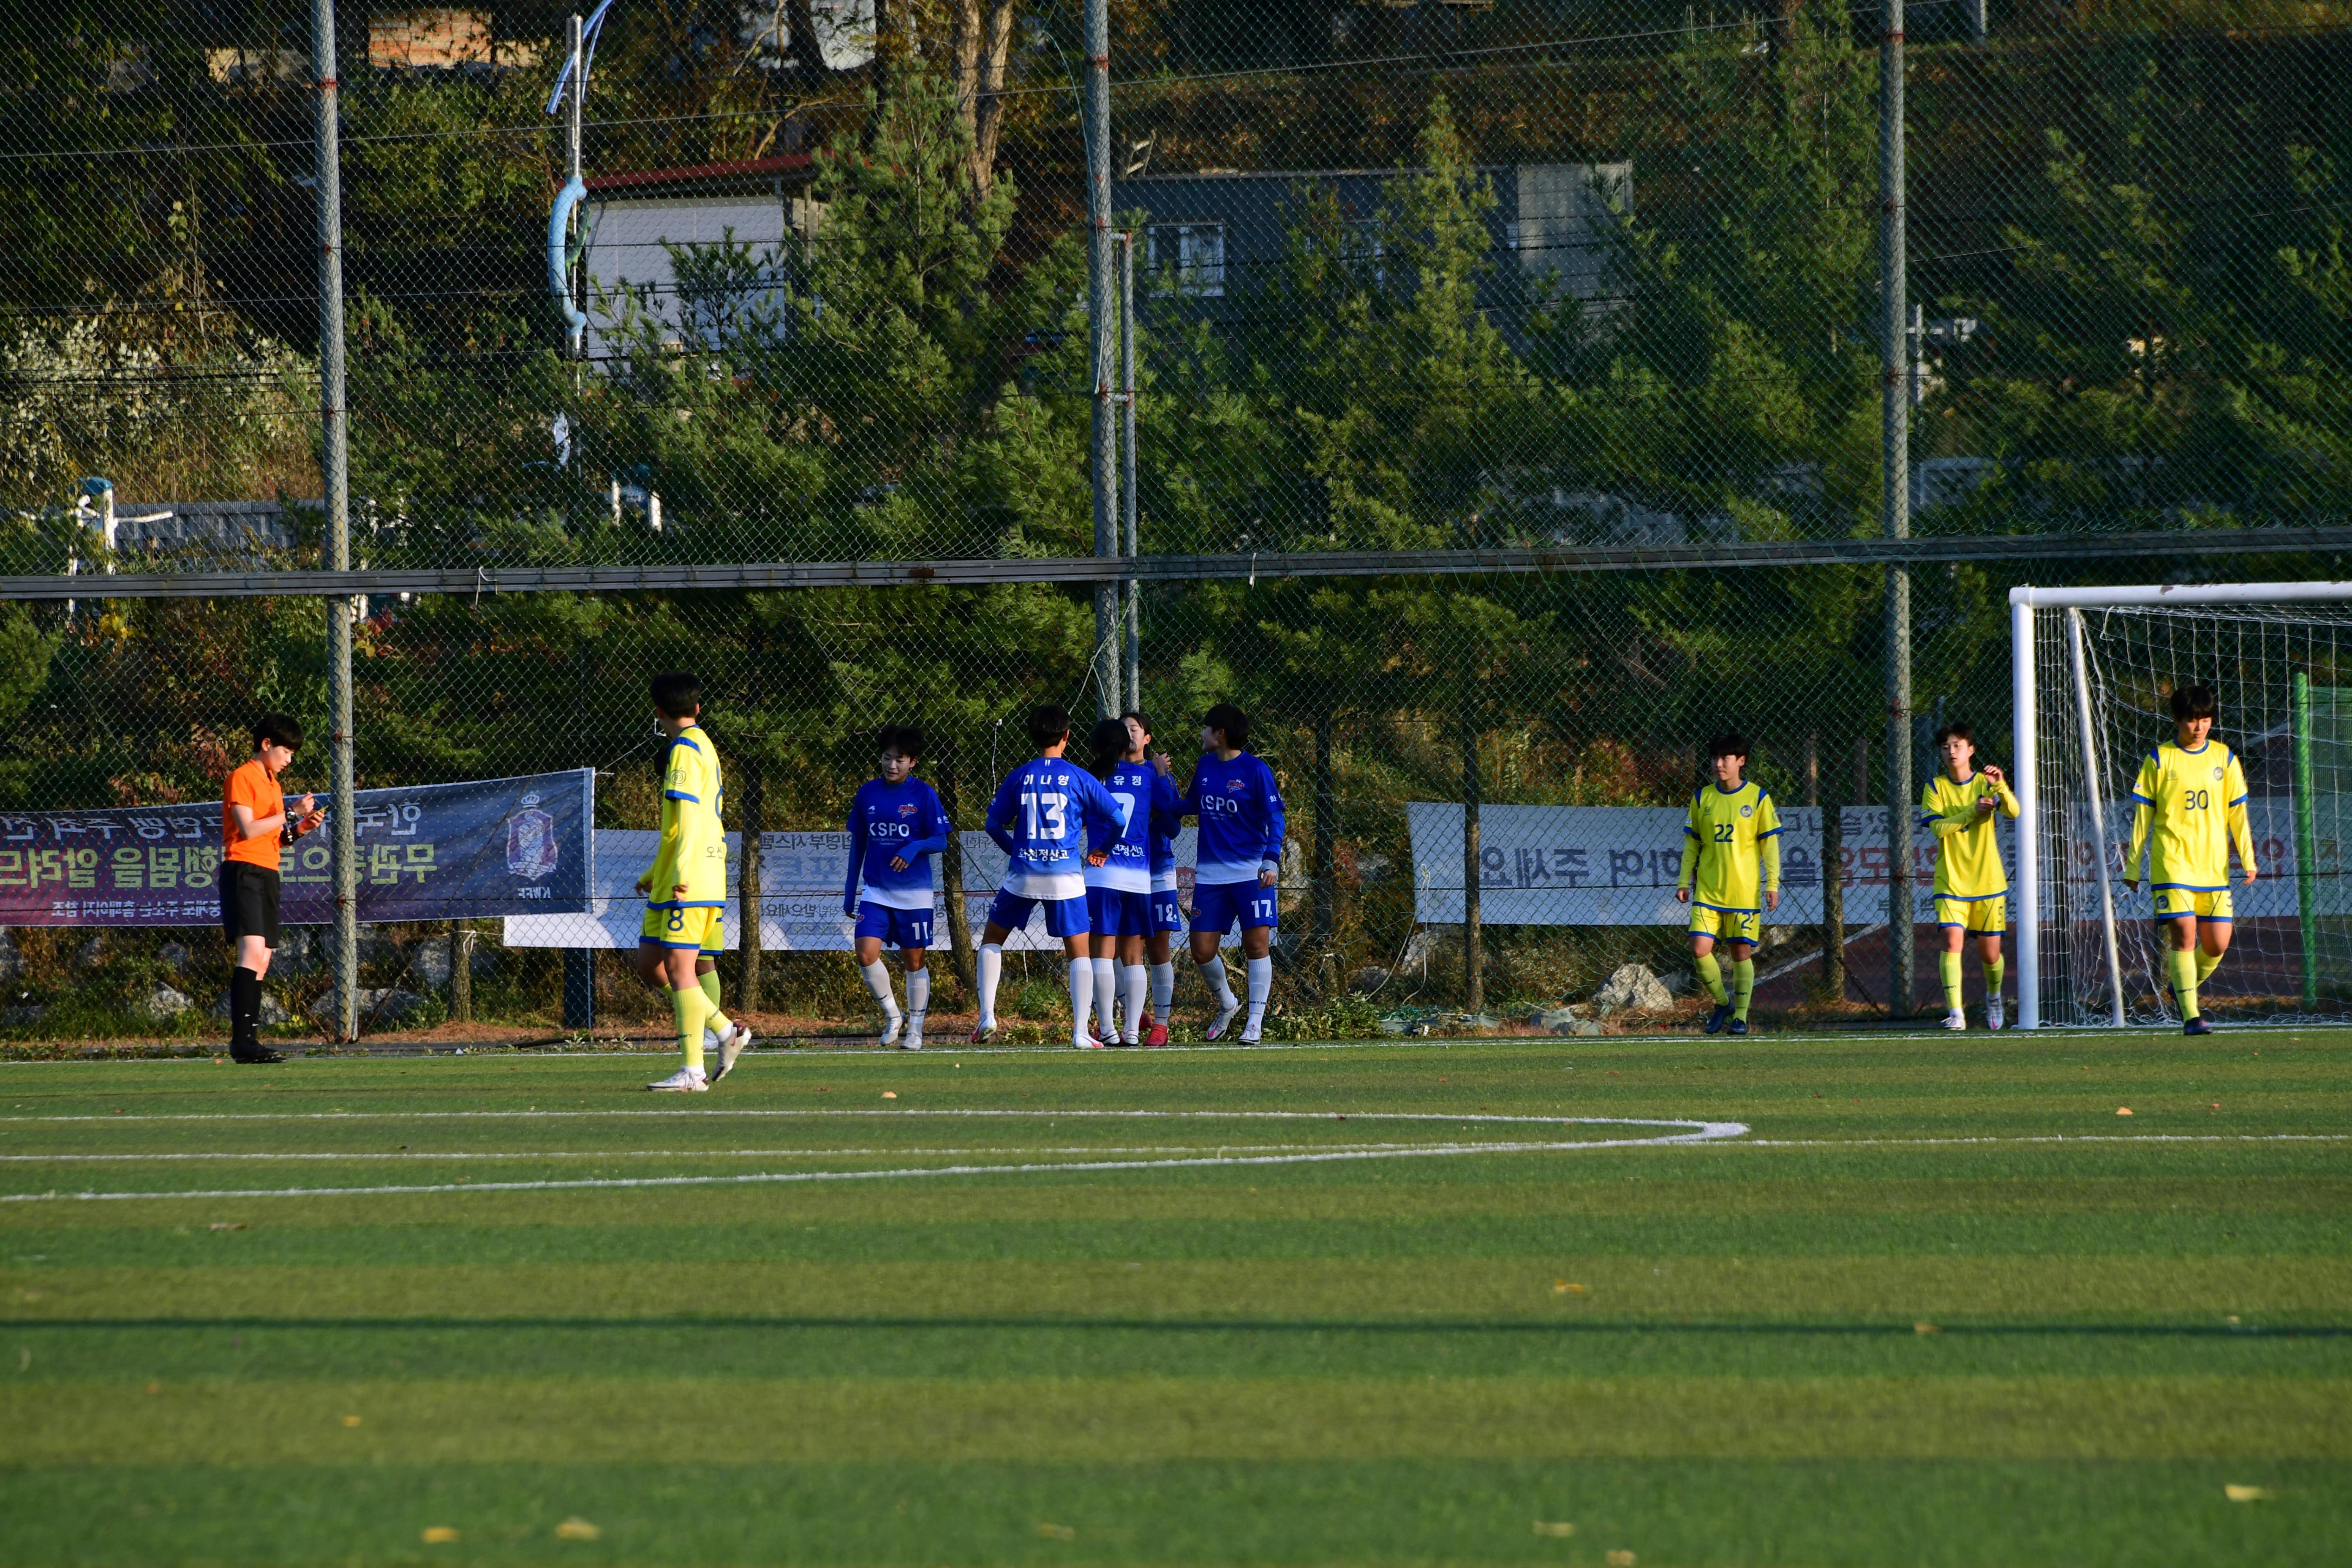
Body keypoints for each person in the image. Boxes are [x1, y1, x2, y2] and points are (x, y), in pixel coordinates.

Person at [972, 703, 1122, 1047]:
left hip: (1023, 873)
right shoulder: (1079, 777)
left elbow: (992, 824)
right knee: (1079, 954)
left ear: (1033, 736)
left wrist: (1016, 850)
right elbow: (1117, 820)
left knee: (993, 941)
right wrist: (1102, 850)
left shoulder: (1021, 775)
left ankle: (987, 1015)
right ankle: (1080, 1033)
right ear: (1067, 736)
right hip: (1065, 875)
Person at [635, 672, 750, 1091]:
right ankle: (724, 1029)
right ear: (698, 708)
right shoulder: (702, 744)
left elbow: (687, 820)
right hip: (676, 875)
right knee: (650, 964)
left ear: (659, 711)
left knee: (682, 968)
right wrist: (655, 873)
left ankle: (693, 1072)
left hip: (691, 876)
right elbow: (685, 824)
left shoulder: (684, 749)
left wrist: (681, 873)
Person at [2124, 683, 2257, 1035]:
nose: (2198, 727)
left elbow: (2237, 815)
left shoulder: (2225, 758)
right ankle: (2191, 1017)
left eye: (2204, 719)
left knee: (2218, 943)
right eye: (2191, 720)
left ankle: (2180, 986)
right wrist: (2133, 865)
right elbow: (2143, 819)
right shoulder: (2159, 759)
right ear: (2177, 720)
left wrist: (2248, 857)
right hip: (2172, 862)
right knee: (2184, 935)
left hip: (2213, 866)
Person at [1178, 702, 1285, 1043]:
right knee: (1201, 950)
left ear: (1220, 733)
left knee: (1257, 945)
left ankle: (1254, 1020)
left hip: (1252, 873)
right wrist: (1159, 789)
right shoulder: (1206, 765)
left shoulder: (1256, 770)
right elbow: (1190, 805)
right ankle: (1228, 1004)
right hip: (1210, 877)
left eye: (1206, 728)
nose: (1202, 733)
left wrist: (1271, 859)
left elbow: (1276, 818)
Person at [220, 713, 324, 1064]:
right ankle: (242, 1042)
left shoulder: (273, 784)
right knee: (251, 952)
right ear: (266, 745)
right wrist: (292, 813)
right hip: (244, 870)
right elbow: (248, 829)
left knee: (263, 959)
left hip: (268, 871)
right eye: (286, 751)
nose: (289, 759)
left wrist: (302, 827)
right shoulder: (242, 776)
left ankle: (250, 1041)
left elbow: (276, 838)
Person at [843, 724, 953, 1050]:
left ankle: (916, 1030)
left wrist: (913, 847)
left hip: (915, 893)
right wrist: (851, 890)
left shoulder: (924, 795)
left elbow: (941, 840)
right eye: (888, 758)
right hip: (876, 891)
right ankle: (894, 1015)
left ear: (913, 762)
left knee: (913, 961)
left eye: (900, 760)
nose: (892, 765)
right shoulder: (868, 793)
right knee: (865, 953)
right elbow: (858, 844)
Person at [1675, 732, 1780, 1036]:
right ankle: (1723, 1003)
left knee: (1740, 955)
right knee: (1699, 949)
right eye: (1716, 758)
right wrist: (1684, 881)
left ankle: (1741, 1018)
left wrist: (1772, 884)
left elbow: (1770, 846)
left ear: (1741, 762)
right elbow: (1692, 845)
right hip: (1708, 890)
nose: (1719, 764)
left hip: (1744, 892)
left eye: (1726, 759)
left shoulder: (1758, 798)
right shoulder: (1702, 798)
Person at [1921, 722, 2019, 1032]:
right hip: (1950, 880)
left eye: (1958, 746)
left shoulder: (1987, 783)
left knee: (1990, 955)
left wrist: (2001, 785)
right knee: (1952, 942)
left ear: (1971, 750)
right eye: (1946, 747)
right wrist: (1971, 813)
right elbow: (1938, 828)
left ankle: (1994, 997)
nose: (1952, 752)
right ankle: (1956, 1013)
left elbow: (2014, 812)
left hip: (1988, 882)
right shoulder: (1935, 788)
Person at [1082, 717, 1158, 1045]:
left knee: (1102, 952)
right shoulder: (1148, 776)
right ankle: (1131, 1031)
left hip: (1103, 873)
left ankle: (1108, 1029)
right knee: (1133, 957)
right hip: (1138, 877)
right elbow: (1170, 819)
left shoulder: (1090, 778)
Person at [1126, 711, 1184, 1046]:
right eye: (1124, 730)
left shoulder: (1157, 771)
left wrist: (1161, 779)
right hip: (1124, 872)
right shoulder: (1110, 773)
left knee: (1159, 948)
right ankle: (1131, 1015)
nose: (1129, 735)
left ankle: (1160, 1024)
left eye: (1135, 729)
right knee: (1121, 950)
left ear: (1147, 739)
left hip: (1157, 870)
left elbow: (1173, 828)